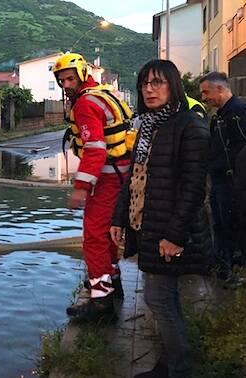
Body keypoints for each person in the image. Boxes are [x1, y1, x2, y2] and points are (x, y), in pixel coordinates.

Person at [110, 59, 211, 378]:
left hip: (170, 230)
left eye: (158, 83)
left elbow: (194, 186)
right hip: (148, 225)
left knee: (158, 299)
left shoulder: (189, 125)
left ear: (173, 86)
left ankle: (180, 368)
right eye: (144, 84)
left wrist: (175, 236)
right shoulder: (148, 125)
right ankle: (168, 364)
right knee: (165, 298)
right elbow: (134, 178)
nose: (149, 89)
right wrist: (119, 217)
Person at [53, 52, 133, 319]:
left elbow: (96, 149)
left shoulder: (85, 104)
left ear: (82, 76)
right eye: (61, 80)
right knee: (109, 232)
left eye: (69, 79)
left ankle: (101, 301)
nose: (65, 85)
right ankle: (113, 281)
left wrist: (80, 188)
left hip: (108, 177)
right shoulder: (102, 93)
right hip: (121, 172)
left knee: (94, 236)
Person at [199, 72, 246, 275]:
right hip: (219, 179)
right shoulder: (220, 115)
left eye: (206, 92)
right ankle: (221, 262)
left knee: (231, 225)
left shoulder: (239, 112)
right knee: (218, 223)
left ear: (220, 89)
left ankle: (232, 266)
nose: (203, 97)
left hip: (233, 181)